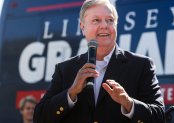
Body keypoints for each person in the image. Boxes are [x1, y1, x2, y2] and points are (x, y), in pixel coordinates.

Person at [33, 0, 165, 123]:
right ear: (82, 27)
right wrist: (71, 93)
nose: (104, 26)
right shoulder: (64, 69)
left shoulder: (141, 65)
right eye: (96, 20)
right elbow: (40, 117)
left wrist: (128, 103)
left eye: (110, 20)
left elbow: (159, 116)